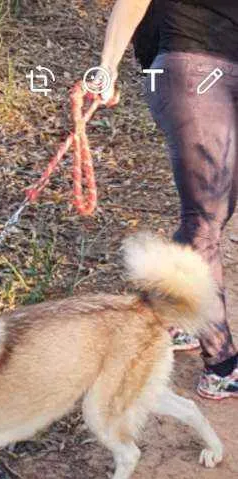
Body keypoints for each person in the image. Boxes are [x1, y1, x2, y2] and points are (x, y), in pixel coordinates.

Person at [97, 0, 238, 399]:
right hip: (189, 59)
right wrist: (106, 69)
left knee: (220, 210)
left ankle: (175, 315)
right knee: (204, 220)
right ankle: (221, 365)